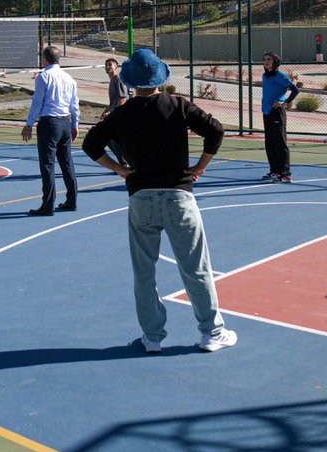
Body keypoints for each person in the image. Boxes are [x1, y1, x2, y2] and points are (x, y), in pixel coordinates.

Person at [82, 48, 237, 354]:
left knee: (144, 272)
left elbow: (91, 144)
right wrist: (200, 165)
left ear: (130, 81)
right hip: (179, 196)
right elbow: (216, 130)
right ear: (160, 78)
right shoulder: (177, 105)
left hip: (142, 197)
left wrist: (120, 170)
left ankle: (152, 337)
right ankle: (212, 332)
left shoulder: (122, 113)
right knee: (196, 268)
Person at [21, 45, 79, 215]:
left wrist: (29, 124)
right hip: (65, 123)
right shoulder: (69, 78)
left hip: (49, 123)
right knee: (67, 163)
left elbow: (37, 102)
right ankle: (71, 200)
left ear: (45, 59)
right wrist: (75, 125)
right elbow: (74, 104)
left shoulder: (44, 76)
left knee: (47, 164)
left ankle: (48, 205)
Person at [260, 52, 299, 183]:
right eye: (265, 59)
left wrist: (285, 102)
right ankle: (275, 170)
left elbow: (295, 90)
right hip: (267, 112)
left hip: (277, 112)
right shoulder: (265, 76)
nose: (266, 62)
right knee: (270, 143)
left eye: (269, 59)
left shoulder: (280, 76)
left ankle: (285, 173)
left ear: (275, 62)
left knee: (280, 142)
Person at [100, 57, 131, 167]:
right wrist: (106, 110)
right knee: (108, 137)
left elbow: (122, 99)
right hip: (115, 114)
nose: (107, 67)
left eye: (110, 65)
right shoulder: (112, 80)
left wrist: (114, 114)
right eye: (106, 65)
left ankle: (125, 163)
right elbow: (114, 100)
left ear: (116, 67)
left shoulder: (118, 79)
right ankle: (124, 162)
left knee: (113, 138)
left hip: (121, 115)